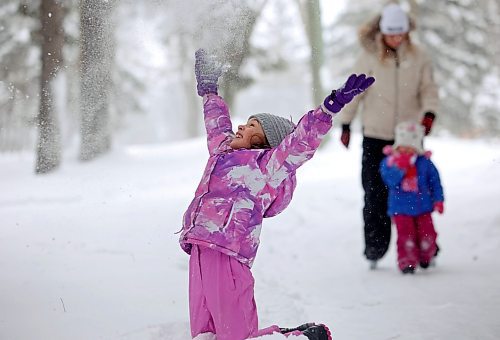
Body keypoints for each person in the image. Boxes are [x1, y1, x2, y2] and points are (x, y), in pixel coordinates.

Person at [178, 49, 374, 340]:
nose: (242, 126)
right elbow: (216, 123)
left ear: (265, 141)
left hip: (228, 251)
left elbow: (299, 143)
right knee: (204, 333)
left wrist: (329, 110)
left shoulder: (265, 167)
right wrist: (209, 92)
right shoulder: (222, 150)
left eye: (252, 126)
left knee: (235, 335)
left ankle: (300, 338)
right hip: (200, 246)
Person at [337, 2, 440, 268]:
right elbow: (354, 90)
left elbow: (429, 88)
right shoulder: (369, 56)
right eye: (391, 34)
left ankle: (425, 244)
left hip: (408, 138)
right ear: (382, 32)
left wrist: (429, 113)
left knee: (417, 191)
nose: (396, 38)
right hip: (375, 135)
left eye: (400, 33)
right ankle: (375, 246)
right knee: (375, 194)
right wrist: (346, 124)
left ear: (407, 32)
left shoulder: (419, 57)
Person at [379, 121, 444, 274]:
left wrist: (439, 199)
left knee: (427, 235)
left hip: (423, 207)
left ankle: (426, 256)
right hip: (401, 209)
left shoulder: (425, 162)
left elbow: (435, 182)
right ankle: (407, 262)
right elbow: (390, 181)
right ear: (397, 145)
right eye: (403, 145)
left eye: (411, 146)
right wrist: (399, 168)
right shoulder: (389, 162)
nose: (407, 149)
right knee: (406, 237)